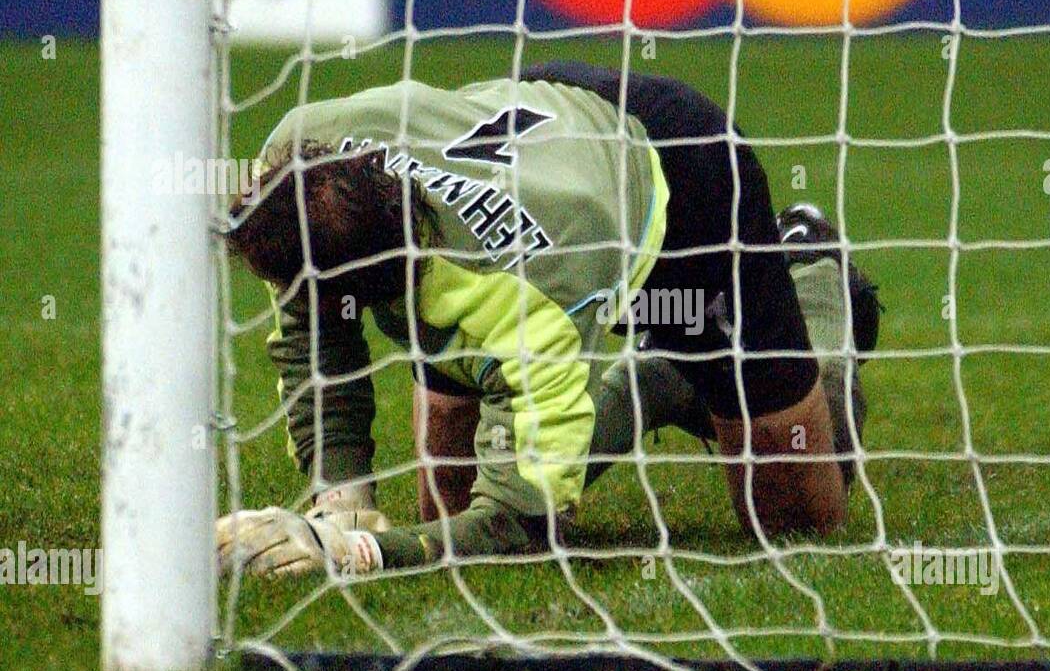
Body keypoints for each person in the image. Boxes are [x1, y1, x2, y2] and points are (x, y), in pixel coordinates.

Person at [217, 62, 880, 576]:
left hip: (684, 174)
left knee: (797, 515)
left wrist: (359, 553)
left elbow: (516, 524)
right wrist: (340, 499)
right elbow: (314, 337)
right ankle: (665, 376)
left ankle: (811, 274)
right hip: (536, 115)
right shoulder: (301, 156)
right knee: (443, 505)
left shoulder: (536, 300)